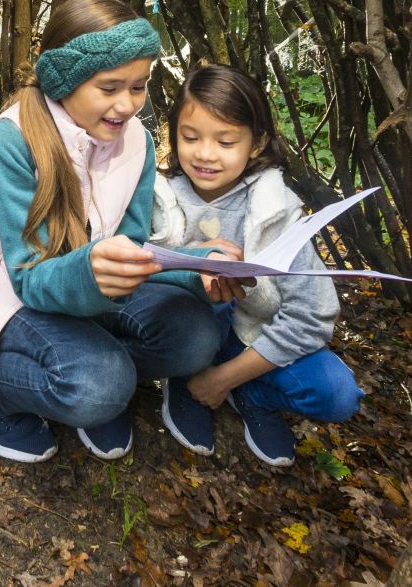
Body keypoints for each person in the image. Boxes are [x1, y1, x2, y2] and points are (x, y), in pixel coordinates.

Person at [0, 0, 235, 463]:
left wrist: (199, 268)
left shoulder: (137, 143)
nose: (127, 105)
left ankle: (97, 368)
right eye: (109, 88)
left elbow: (132, 247)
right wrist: (92, 271)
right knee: (100, 386)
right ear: (64, 79)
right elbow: (28, 278)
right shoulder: (15, 140)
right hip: (7, 297)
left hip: (86, 291)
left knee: (196, 337)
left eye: (139, 87)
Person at [150, 64, 364, 468]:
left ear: (257, 142)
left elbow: (312, 314)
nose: (205, 154)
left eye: (226, 141)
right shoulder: (159, 199)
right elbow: (133, 272)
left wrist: (225, 379)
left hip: (253, 334)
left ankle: (251, 394)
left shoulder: (275, 208)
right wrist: (196, 258)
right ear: (173, 133)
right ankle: (183, 379)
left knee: (337, 394)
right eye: (190, 137)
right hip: (187, 331)